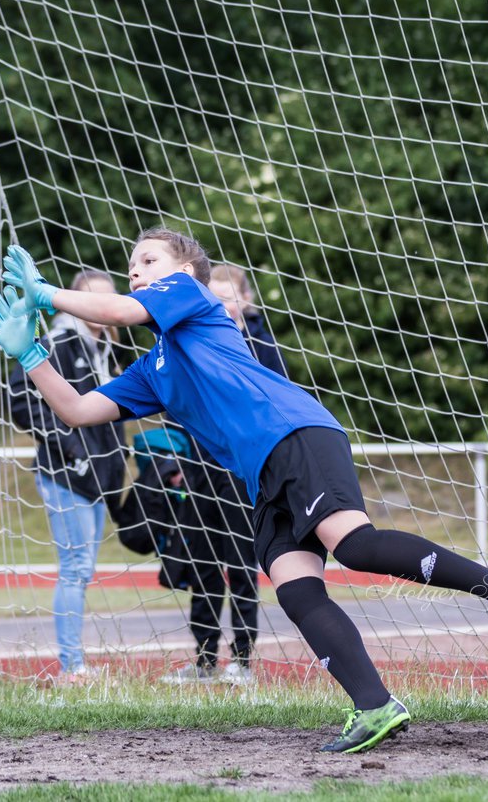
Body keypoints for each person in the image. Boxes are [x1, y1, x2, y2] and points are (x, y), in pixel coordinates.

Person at [0, 228, 488, 754]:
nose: (136, 270)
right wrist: (31, 354)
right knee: (295, 585)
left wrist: (47, 294)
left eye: (147, 260)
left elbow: (124, 307)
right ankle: (375, 705)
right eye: (131, 263)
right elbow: (79, 409)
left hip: (297, 434)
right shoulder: (154, 366)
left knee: (355, 548)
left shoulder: (190, 296)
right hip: (265, 474)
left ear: (180, 272)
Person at [159, 264, 284, 686]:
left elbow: (275, 405)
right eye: (214, 294)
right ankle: (205, 659)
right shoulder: (190, 343)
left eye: (229, 294)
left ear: (246, 299)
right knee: (203, 566)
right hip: (198, 473)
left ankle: (244, 659)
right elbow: (179, 407)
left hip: (241, 473)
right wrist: (175, 464)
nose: (222, 302)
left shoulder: (263, 347)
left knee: (241, 564)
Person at [6, 269, 126, 685]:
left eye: (108, 297)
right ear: (72, 300)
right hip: (66, 473)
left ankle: (75, 662)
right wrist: (70, 447)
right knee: (74, 567)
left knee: (84, 567)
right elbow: (22, 401)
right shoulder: (58, 340)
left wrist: (114, 461)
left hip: (97, 476)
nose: (100, 306)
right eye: (92, 296)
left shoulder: (104, 348)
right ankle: (71, 667)